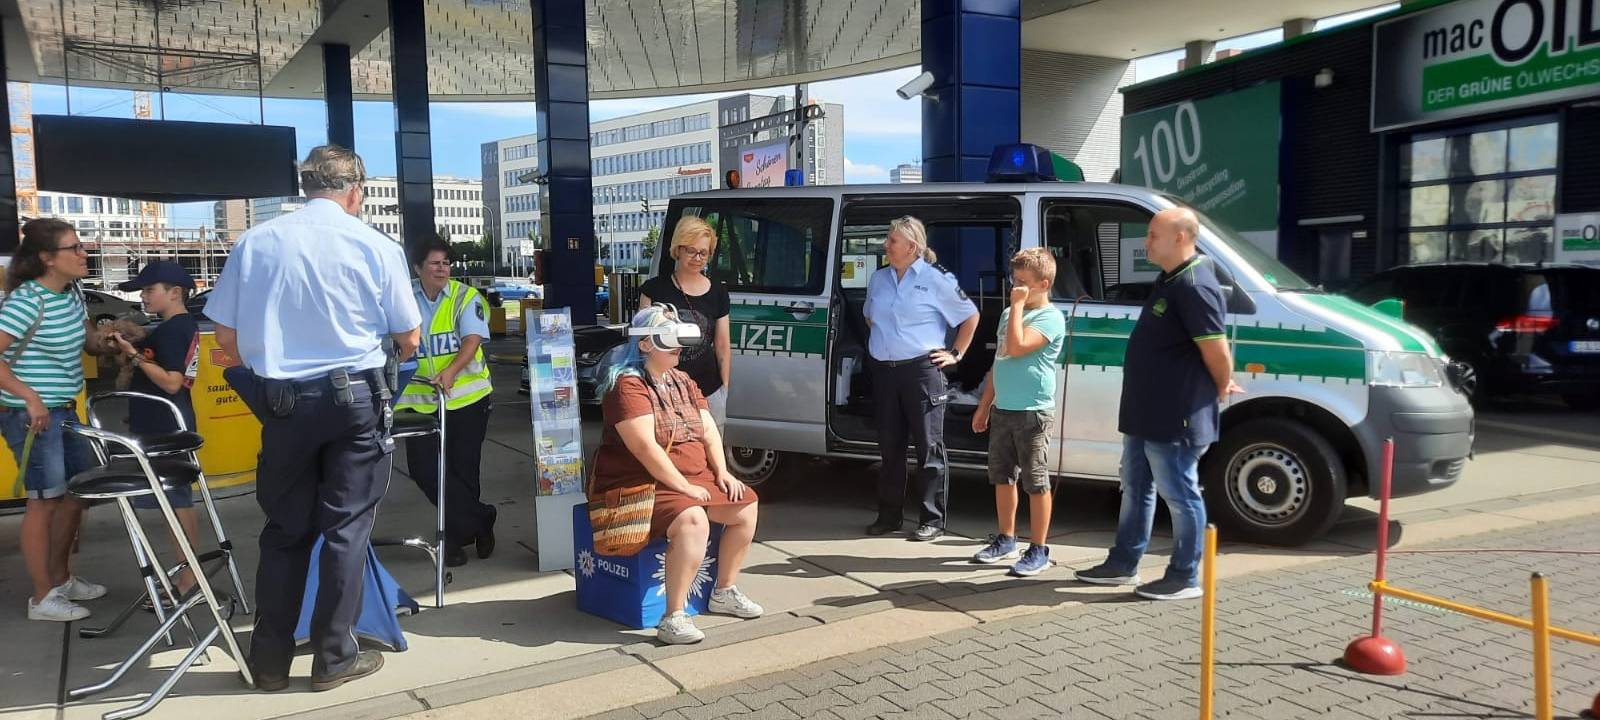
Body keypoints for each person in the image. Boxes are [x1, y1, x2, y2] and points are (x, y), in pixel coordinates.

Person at [208, 145, 421, 691]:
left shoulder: (255, 243)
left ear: (306, 188)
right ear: (355, 191)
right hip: (357, 402)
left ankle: (269, 664)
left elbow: (225, 340)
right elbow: (409, 336)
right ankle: (333, 660)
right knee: (346, 531)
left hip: (284, 405)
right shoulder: (376, 245)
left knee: (284, 532)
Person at [1075, 207, 1243, 601]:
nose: (1145, 241)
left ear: (1181, 238)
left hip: (1175, 414)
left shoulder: (1196, 285)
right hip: (1146, 410)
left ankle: (1184, 575)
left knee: (1181, 494)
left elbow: (1216, 349)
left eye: (1152, 235)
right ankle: (1123, 563)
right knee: (1136, 486)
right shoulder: (1170, 278)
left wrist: (1220, 387)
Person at [591, 305, 762, 645]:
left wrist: (723, 473)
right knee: (692, 520)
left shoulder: (682, 379)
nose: (679, 348)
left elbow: (708, 429)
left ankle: (724, 590)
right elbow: (644, 449)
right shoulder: (627, 386)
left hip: (690, 477)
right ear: (644, 345)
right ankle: (674, 616)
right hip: (641, 483)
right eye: (669, 341)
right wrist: (684, 487)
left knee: (745, 505)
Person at [0, 218, 113, 622]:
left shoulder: (72, 293)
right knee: (43, 500)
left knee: (78, 493)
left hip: (64, 409)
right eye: (74, 248)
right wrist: (30, 398)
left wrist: (111, 340)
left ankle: (61, 577)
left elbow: (88, 342)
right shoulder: (26, 301)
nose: (84, 254)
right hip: (31, 416)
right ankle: (41, 596)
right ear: (47, 258)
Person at [863, 216, 979, 542]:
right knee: (889, 448)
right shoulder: (879, 278)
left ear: (912, 247)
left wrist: (955, 354)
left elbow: (970, 316)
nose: (886, 245)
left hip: (921, 372)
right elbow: (871, 317)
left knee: (928, 447)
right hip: (885, 372)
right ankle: (888, 516)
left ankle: (932, 519)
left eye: (892, 241)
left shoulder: (936, 279)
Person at [395, 237, 497, 568]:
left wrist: (452, 370)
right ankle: (480, 519)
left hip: (466, 399)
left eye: (446, 263)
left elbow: (471, 340)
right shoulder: (401, 298)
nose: (442, 269)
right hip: (418, 401)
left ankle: (453, 540)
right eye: (434, 263)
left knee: (462, 469)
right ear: (417, 268)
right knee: (425, 470)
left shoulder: (465, 297)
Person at [970, 248, 1067, 577]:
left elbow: (1017, 346)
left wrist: (1018, 307)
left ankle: (1038, 548)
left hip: (1033, 411)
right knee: (1002, 476)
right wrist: (985, 406)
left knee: (1035, 481)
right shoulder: (1010, 313)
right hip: (1005, 409)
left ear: (1043, 283)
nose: (1016, 288)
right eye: (1014, 281)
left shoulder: (1050, 317)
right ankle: (1006, 537)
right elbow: (1000, 360)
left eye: (1023, 283)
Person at [110, 261, 203, 598]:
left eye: (150, 290)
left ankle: (189, 578)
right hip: (162, 425)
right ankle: (188, 574)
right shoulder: (172, 328)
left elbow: (172, 382)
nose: (143, 297)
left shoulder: (176, 330)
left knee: (177, 502)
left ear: (175, 293)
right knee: (174, 502)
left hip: (167, 428)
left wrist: (133, 354)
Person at [638, 216, 732, 432]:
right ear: (677, 249)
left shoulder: (718, 291)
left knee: (711, 460)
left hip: (709, 391)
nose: (698, 258)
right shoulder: (653, 290)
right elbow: (642, 343)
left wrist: (724, 389)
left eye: (704, 253)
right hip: (665, 392)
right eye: (691, 250)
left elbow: (723, 345)